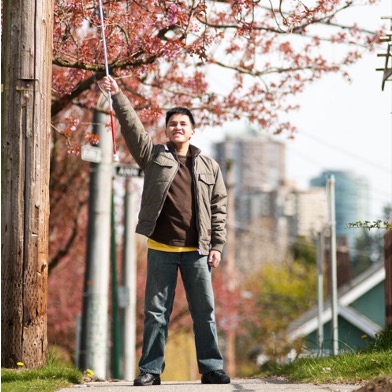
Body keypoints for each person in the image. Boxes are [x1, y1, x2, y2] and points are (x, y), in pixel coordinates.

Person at [103, 75, 230, 386]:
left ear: (193, 130)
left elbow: (219, 209)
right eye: (173, 123)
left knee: (204, 312)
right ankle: (150, 370)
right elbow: (132, 130)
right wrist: (118, 96)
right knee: (156, 314)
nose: (178, 127)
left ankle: (212, 368)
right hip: (161, 247)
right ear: (167, 129)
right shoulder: (154, 157)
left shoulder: (209, 167)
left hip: (197, 251)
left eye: (183, 123)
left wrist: (217, 245)